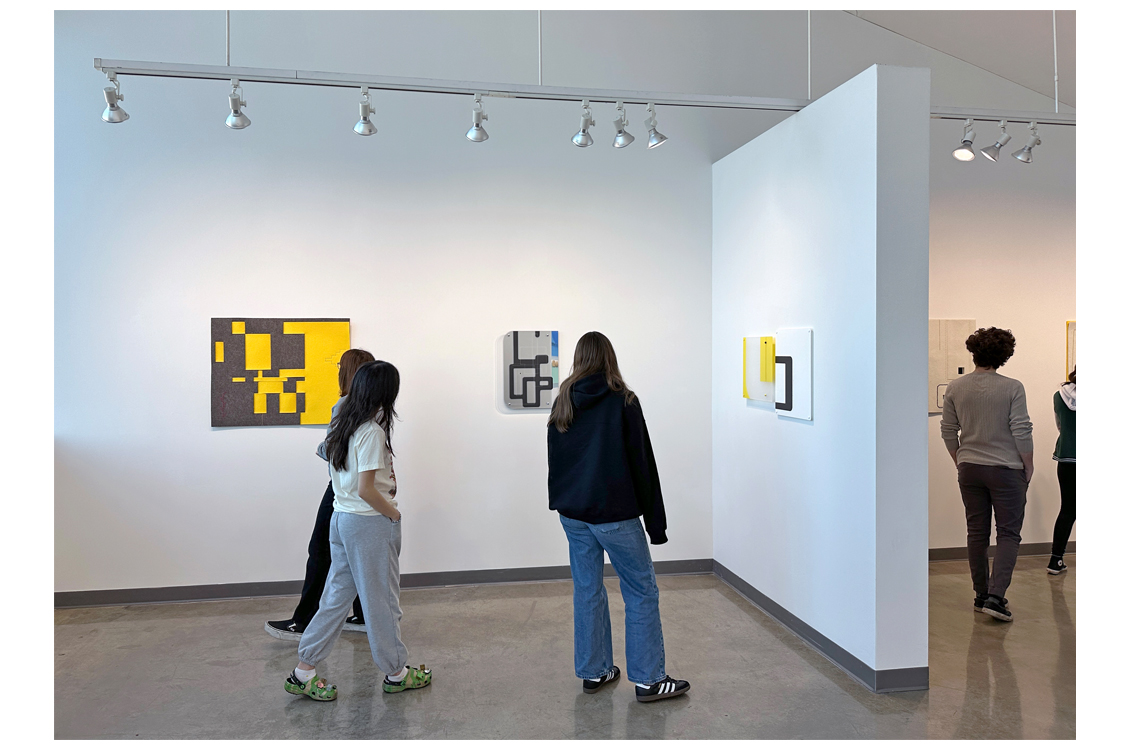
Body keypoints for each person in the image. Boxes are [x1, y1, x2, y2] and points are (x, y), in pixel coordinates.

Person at [547, 331, 690, 703]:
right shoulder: (623, 401)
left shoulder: (564, 400)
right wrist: (655, 525)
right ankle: (649, 680)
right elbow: (643, 464)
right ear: (609, 357)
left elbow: (557, 461)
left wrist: (563, 501)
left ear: (578, 359)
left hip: (574, 515)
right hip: (615, 515)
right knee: (641, 590)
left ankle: (595, 672)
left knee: (588, 589)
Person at [284, 360, 431, 701]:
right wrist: (393, 514)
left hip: (342, 518)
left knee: (336, 597)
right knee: (381, 600)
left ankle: (303, 671)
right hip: (367, 523)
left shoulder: (344, 425)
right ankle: (396, 671)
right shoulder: (371, 432)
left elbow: (338, 472)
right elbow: (367, 489)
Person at [266, 349, 374, 640]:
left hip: (339, 489)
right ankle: (364, 616)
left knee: (321, 552)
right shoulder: (375, 407)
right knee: (353, 554)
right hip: (362, 488)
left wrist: (320, 448)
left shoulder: (344, 405)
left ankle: (303, 622)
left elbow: (333, 451)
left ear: (346, 371)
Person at [940, 327, 1034, 623]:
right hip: (1006, 469)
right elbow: (1021, 429)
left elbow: (948, 430)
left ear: (973, 352)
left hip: (969, 468)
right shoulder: (1012, 387)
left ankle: (981, 594)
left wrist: (960, 459)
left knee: (977, 531)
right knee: (1008, 533)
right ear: (1005, 355)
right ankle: (996, 596)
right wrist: (1028, 465)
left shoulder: (956, 387)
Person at [1048, 368, 1076, 575]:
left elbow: (1060, 426)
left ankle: (1055, 560)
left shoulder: (1060, 395)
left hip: (1066, 457)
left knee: (1068, 509)